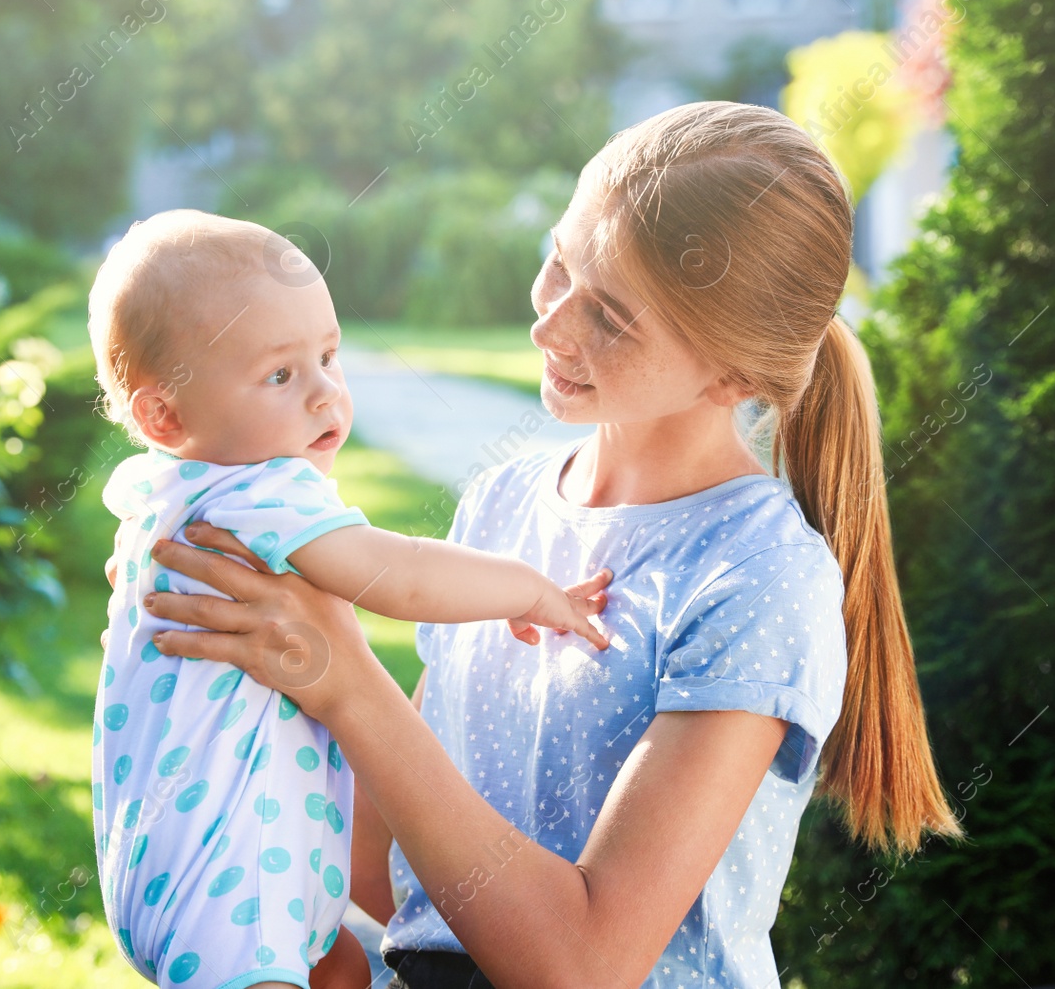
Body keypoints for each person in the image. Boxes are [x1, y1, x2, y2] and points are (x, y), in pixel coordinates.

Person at [137, 102, 962, 988]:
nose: (550, 325)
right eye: (558, 262)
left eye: (608, 316)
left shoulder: (757, 577)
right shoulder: (503, 504)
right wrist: (222, 637)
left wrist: (346, 681)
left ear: (732, 374)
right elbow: (388, 868)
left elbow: (584, 964)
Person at [89, 210, 607, 989]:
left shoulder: (155, 501)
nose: (325, 393)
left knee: (340, 967)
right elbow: (400, 574)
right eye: (280, 375)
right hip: (240, 886)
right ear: (165, 414)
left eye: (329, 357)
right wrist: (529, 588)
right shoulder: (262, 493)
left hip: (167, 872)